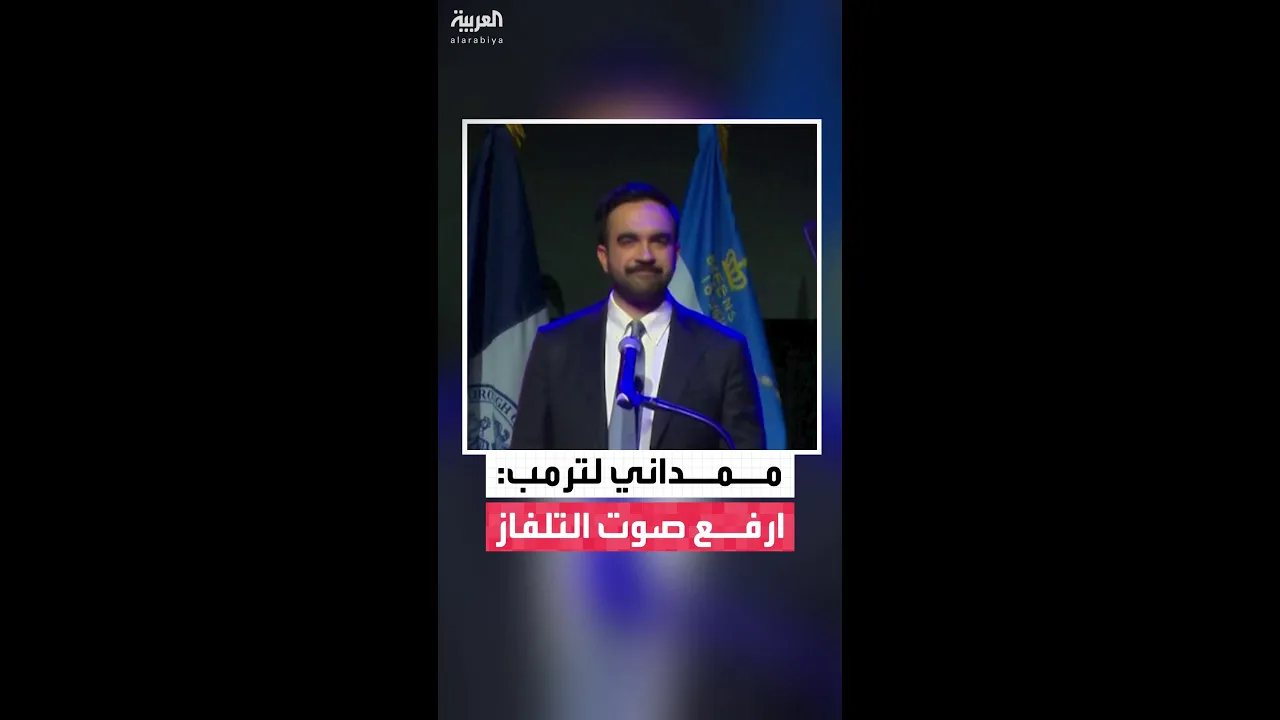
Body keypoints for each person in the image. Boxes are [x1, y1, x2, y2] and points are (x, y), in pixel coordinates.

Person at [511, 182, 765, 450]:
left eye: (659, 241)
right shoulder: (555, 346)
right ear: (604, 257)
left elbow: (747, 466)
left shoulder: (723, 351)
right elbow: (524, 460)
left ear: (676, 254)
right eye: (628, 241)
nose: (645, 255)